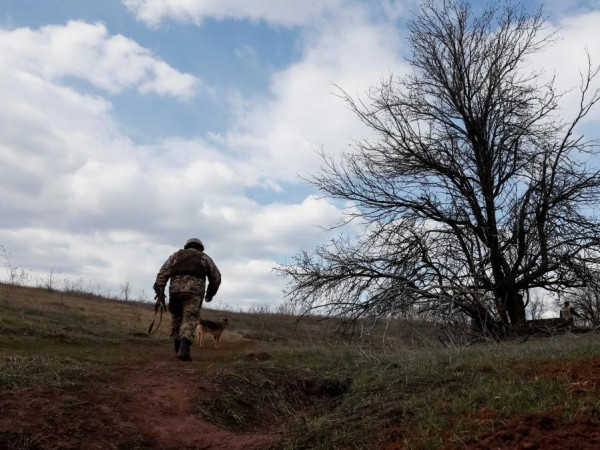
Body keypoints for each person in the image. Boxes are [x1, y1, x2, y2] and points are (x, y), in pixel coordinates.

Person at [154, 238, 221, 361]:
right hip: (194, 294)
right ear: (200, 247)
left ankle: (178, 349)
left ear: (187, 246)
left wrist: (160, 288)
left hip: (175, 293)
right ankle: (184, 349)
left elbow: (162, 273)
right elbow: (216, 277)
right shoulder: (204, 258)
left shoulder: (175, 256)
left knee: (177, 320)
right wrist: (210, 293)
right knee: (189, 319)